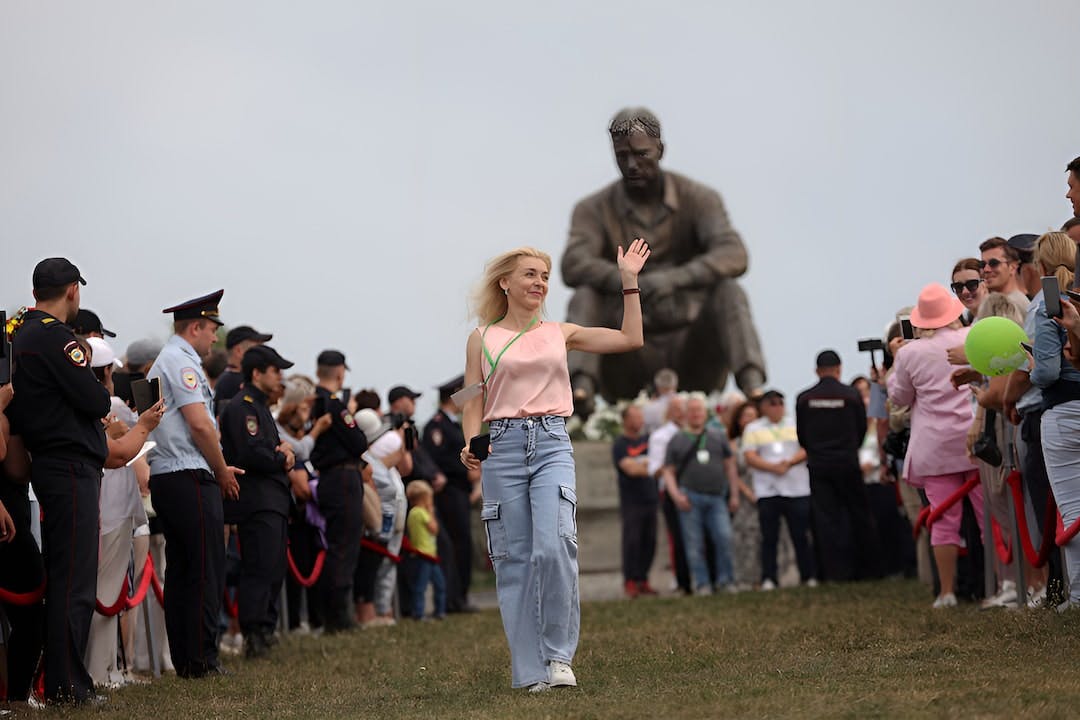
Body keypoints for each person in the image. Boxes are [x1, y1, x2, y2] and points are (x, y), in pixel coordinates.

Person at [460, 240, 649, 692]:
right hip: (501, 450)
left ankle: (559, 657)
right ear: (505, 282)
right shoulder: (481, 338)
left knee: (554, 545)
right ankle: (529, 673)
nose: (539, 283)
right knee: (514, 561)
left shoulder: (559, 332)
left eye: (543, 276)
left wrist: (629, 282)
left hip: (550, 443)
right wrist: (471, 440)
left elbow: (630, 339)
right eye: (529, 274)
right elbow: (470, 399)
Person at [561, 108, 765, 415]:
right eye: (622, 156)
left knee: (729, 291)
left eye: (641, 154)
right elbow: (573, 263)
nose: (632, 165)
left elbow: (734, 254)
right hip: (625, 355)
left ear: (661, 150)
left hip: (692, 351)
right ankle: (579, 392)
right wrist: (630, 280)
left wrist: (675, 279)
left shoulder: (700, 198)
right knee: (585, 296)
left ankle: (754, 390)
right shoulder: (592, 209)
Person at [5, 258, 112, 704]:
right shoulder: (54, 336)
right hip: (68, 464)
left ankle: (64, 679)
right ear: (72, 290)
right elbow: (94, 398)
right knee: (74, 580)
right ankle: (66, 684)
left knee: (67, 574)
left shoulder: (17, 332)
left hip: (52, 463)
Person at [147, 289, 241, 678]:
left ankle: (189, 659)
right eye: (211, 329)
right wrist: (221, 470)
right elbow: (200, 424)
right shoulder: (180, 361)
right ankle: (201, 659)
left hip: (173, 474)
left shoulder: (172, 359)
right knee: (204, 568)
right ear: (196, 327)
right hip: (188, 473)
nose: (215, 338)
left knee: (186, 569)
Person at [888, 284, 982, 608]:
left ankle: (946, 591)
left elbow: (898, 398)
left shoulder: (910, 353)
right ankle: (1002, 583)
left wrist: (894, 359)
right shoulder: (971, 337)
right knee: (988, 518)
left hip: (934, 446)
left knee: (943, 520)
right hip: (974, 437)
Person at [220, 345, 296, 658]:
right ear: (256, 373)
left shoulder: (260, 406)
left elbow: (273, 444)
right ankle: (254, 632)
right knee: (259, 567)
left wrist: (284, 451)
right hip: (257, 499)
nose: (279, 376)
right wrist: (282, 458)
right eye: (275, 370)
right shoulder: (243, 407)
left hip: (272, 499)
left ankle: (265, 626)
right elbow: (253, 451)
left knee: (273, 567)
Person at [1026, 233, 1080, 609]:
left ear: (1039, 266)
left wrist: (1030, 367)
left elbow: (1046, 372)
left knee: (1072, 510)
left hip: (1061, 409)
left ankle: (1077, 596)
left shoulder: (1045, 307)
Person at [796, 350, 880, 582]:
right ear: (839, 369)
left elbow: (802, 435)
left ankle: (833, 572)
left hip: (819, 466)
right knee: (858, 515)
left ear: (817, 371)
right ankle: (867, 570)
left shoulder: (804, 399)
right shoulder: (851, 396)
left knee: (826, 520)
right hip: (847, 463)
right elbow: (861, 429)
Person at [308, 349, 368, 632]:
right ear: (340, 372)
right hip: (342, 478)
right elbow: (358, 442)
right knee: (344, 545)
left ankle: (334, 613)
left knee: (337, 544)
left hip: (329, 478)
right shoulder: (334, 404)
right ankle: (338, 616)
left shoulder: (313, 401)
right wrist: (351, 414)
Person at [660, 396, 740, 595]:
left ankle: (726, 580)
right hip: (690, 498)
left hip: (717, 497)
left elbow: (730, 466)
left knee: (724, 538)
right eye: (692, 410)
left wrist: (734, 494)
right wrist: (676, 495)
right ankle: (702, 583)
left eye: (700, 410)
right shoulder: (676, 439)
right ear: (686, 414)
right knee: (694, 544)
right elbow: (667, 471)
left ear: (706, 414)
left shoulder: (718, 435)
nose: (696, 414)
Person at [742, 390, 816, 589]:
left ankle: (807, 575)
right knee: (769, 537)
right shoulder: (753, 428)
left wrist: (790, 462)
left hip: (796, 488)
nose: (777, 407)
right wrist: (773, 467)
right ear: (763, 407)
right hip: (768, 490)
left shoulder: (796, 424)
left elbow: (807, 447)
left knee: (800, 535)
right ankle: (769, 578)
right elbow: (749, 456)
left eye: (780, 403)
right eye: (772, 403)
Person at [0, 382, 44, 706]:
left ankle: (16, 693)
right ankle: (15, 695)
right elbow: (8, 459)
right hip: (8, 521)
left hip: (13, 513)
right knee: (30, 615)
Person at [422, 374, 480, 613]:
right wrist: (466, 471)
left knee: (462, 544)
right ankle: (453, 598)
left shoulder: (454, 425)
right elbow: (438, 459)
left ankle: (460, 595)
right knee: (456, 544)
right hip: (449, 492)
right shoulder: (437, 426)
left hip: (460, 491)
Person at [611, 404, 657, 597]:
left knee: (650, 541)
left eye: (641, 416)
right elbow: (631, 469)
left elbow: (658, 462)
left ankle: (643, 579)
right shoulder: (620, 445)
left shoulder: (649, 440)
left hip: (651, 498)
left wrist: (645, 465)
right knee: (633, 541)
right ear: (626, 420)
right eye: (636, 417)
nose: (641, 420)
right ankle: (630, 581)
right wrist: (649, 466)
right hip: (632, 501)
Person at [647, 395, 690, 593]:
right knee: (678, 538)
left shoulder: (695, 431)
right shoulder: (661, 437)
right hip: (672, 492)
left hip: (697, 488)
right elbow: (654, 469)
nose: (681, 413)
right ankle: (681, 580)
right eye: (677, 409)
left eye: (684, 408)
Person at [404, 480, 446, 621]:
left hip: (429, 555)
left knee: (435, 584)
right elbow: (434, 529)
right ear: (424, 498)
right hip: (424, 555)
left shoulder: (412, 513)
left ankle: (436, 611)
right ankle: (420, 613)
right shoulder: (421, 513)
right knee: (423, 586)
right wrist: (431, 512)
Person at [213, 325, 273, 413]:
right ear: (238, 351)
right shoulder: (231, 382)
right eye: (256, 349)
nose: (262, 354)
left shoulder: (229, 378)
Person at [950, 258, 988, 326]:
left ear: (985, 284)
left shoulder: (1001, 317)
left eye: (972, 285)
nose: (965, 292)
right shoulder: (969, 322)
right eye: (958, 287)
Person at [642, 368, 679, 433]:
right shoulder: (687, 403)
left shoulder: (649, 407)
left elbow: (644, 429)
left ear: (657, 387)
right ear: (676, 385)